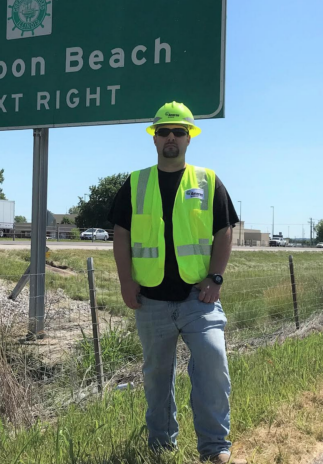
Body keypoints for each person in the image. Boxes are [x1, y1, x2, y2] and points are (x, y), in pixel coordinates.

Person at [109, 102, 246, 464]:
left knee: (213, 361)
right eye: (163, 132)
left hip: (197, 299)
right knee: (156, 376)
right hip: (151, 300)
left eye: (178, 132)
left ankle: (215, 448)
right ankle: (161, 445)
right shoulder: (135, 183)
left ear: (189, 138)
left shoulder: (208, 180)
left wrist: (216, 277)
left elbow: (224, 231)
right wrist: (126, 282)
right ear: (154, 139)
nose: (171, 137)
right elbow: (120, 235)